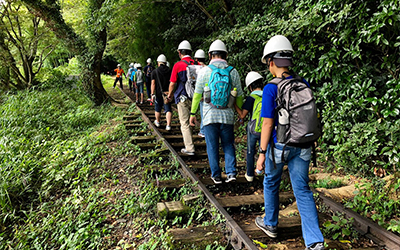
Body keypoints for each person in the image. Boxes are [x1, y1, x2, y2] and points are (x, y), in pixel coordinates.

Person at [254, 35, 325, 250]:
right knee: (302, 189)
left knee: (271, 182)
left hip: (280, 147)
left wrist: (262, 152)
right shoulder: (302, 83)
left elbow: (267, 124)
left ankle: (270, 223)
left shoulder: (270, 88)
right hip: (303, 145)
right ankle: (314, 242)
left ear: (271, 62)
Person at [189, 39, 244, 184]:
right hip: (227, 116)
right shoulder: (233, 72)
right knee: (228, 144)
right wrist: (240, 113)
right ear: (226, 55)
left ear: (209, 55)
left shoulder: (205, 71)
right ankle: (231, 173)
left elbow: (197, 95)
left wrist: (193, 114)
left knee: (212, 146)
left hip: (209, 117)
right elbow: (239, 96)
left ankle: (216, 175)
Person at [234, 71, 264, 182]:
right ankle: (264, 171)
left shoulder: (251, 98)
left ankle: (250, 175)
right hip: (266, 129)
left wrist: (234, 105)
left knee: (251, 151)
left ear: (250, 86)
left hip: (253, 130)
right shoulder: (267, 95)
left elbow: (242, 115)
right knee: (264, 150)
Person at [167, 40, 196, 155]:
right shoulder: (196, 64)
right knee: (192, 120)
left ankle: (190, 148)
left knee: (184, 123)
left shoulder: (178, 65)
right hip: (195, 98)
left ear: (179, 52)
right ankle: (191, 141)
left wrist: (170, 95)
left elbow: (172, 83)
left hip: (182, 97)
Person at [151, 54, 172, 130]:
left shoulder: (155, 71)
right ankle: (168, 125)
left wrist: (152, 94)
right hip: (167, 93)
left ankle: (158, 121)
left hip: (158, 93)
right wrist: (171, 92)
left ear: (158, 62)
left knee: (157, 108)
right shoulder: (170, 71)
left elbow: (153, 83)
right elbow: (172, 82)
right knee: (168, 109)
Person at [193, 49, 207, 138]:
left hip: (198, 94)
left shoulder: (194, 68)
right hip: (207, 94)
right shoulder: (208, 68)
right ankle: (203, 130)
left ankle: (203, 131)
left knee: (202, 113)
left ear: (196, 59)